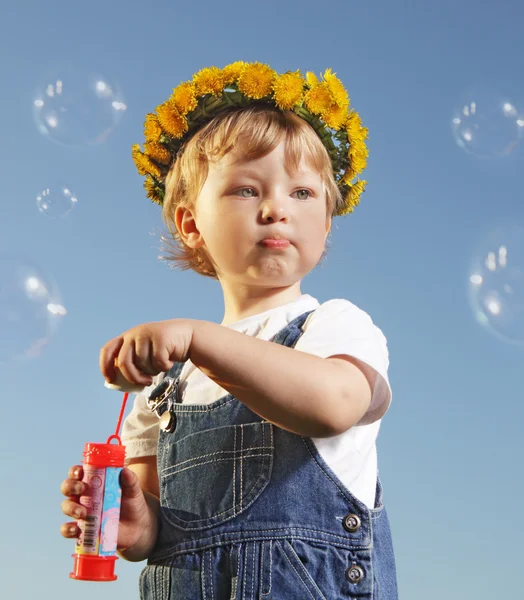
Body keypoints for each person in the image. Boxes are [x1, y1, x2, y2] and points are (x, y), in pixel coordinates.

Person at [60, 60, 399, 599]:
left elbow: (332, 405)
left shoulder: (334, 324)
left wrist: (199, 338)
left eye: (303, 194)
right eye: (246, 190)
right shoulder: (165, 381)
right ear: (191, 224)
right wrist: (135, 524)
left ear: (328, 221)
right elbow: (158, 527)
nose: (275, 209)